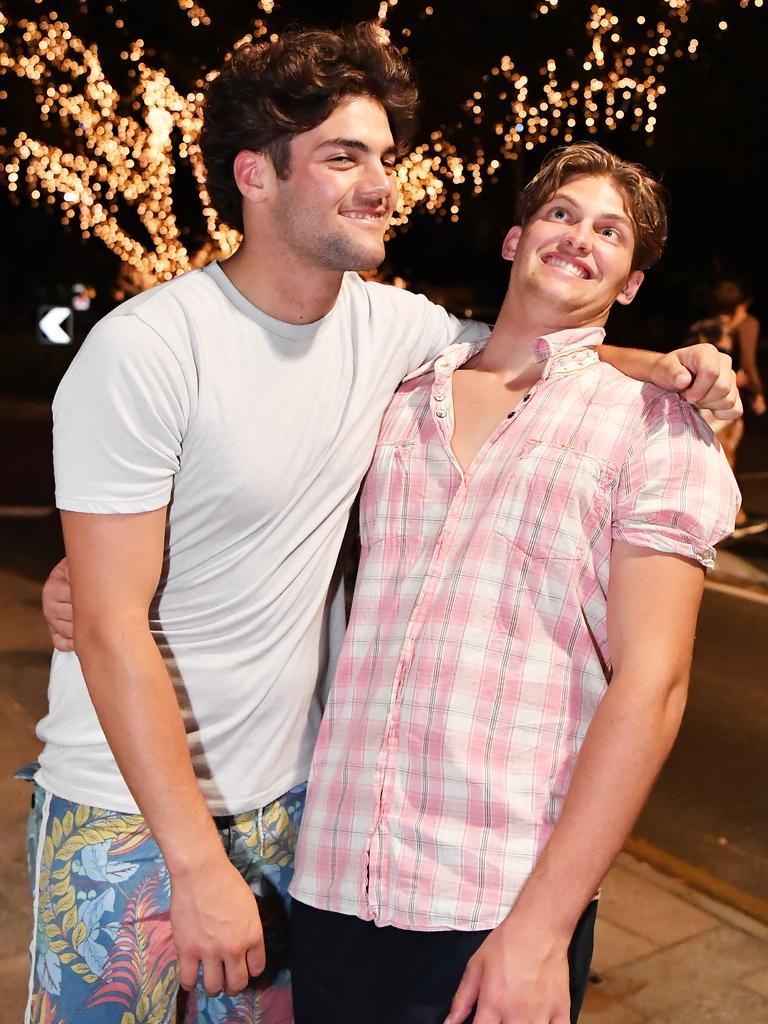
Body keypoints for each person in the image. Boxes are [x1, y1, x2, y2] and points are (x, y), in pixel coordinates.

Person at [33, 23, 739, 1024]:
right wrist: (97, 597)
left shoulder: (391, 334)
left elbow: (544, 347)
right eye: (343, 156)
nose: (381, 182)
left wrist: (684, 375)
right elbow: (107, 622)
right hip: (133, 814)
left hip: (299, 820)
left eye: (387, 158)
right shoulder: (155, 349)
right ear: (256, 175)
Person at [287, 143, 740, 1024]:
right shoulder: (400, 394)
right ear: (514, 239)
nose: (580, 237)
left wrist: (541, 930)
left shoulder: (653, 428)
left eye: (611, 232)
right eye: (562, 214)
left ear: (632, 282)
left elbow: (654, 687)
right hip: (334, 873)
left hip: (494, 896)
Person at [688, 278, 766, 538]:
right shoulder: (746, 324)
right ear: (742, 304)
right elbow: (750, 365)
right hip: (723, 399)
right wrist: (757, 392)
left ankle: (719, 513)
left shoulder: (705, 326)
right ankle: (734, 517)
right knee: (724, 454)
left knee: (712, 452)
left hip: (701, 396)